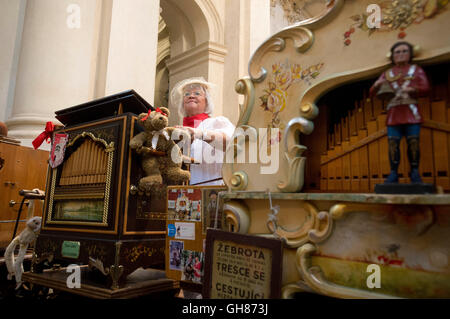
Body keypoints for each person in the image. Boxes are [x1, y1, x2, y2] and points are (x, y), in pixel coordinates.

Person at [370, 41, 430, 184]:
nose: (401, 54)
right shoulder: (387, 74)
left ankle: (415, 172)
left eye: (404, 51)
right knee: (393, 144)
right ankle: (393, 173)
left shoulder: (416, 70)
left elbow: (426, 88)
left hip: (411, 112)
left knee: (413, 143)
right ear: (393, 56)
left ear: (410, 54)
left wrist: (413, 90)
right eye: (397, 52)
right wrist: (376, 85)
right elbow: (372, 93)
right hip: (394, 114)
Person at [170, 77, 235, 185]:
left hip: (210, 193)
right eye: (187, 94)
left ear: (207, 101)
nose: (191, 96)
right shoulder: (176, 130)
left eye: (197, 93)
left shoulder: (216, 123)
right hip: (180, 196)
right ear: (182, 103)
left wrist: (199, 134)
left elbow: (233, 143)